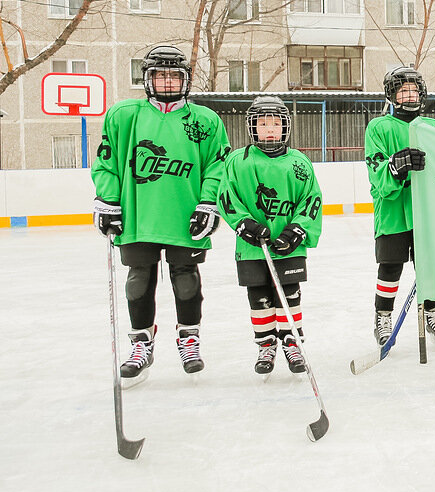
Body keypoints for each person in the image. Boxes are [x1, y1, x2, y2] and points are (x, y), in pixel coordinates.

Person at [91, 44, 230, 377]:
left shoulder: (205, 120)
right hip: (138, 215)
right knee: (139, 281)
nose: (167, 82)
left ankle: (189, 338)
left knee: (186, 282)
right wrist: (108, 200)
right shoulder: (124, 115)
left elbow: (217, 166)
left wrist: (209, 201)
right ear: (147, 79)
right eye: (160, 75)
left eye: (173, 76)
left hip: (186, 215)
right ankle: (141, 342)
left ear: (185, 80)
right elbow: (106, 162)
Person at [217, 96, 322, 374]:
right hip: (252, 248)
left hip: (288, 246)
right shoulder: (238, 161)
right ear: (252, 127)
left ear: (285, 127)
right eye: (263, 124)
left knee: (289, 293)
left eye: (275, 123)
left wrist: (297, 229)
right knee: (259, 296)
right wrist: (244, 224)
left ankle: (291, 341)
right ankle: (266, 344)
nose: (270, 129)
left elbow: (311, 200)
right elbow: (226, 198)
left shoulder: (299, 161)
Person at [364, 66, 435, 345]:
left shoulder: (431, 126)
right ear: (392, 95)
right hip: (392, 213)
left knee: (430, 267)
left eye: (414, 89)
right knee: (390, 267)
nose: (410, 95)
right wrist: (396, 167)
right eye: (403, 90)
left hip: (425, 212)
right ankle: (383, 317)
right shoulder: (379, 127)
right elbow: (376, 172)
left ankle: (432, 312)